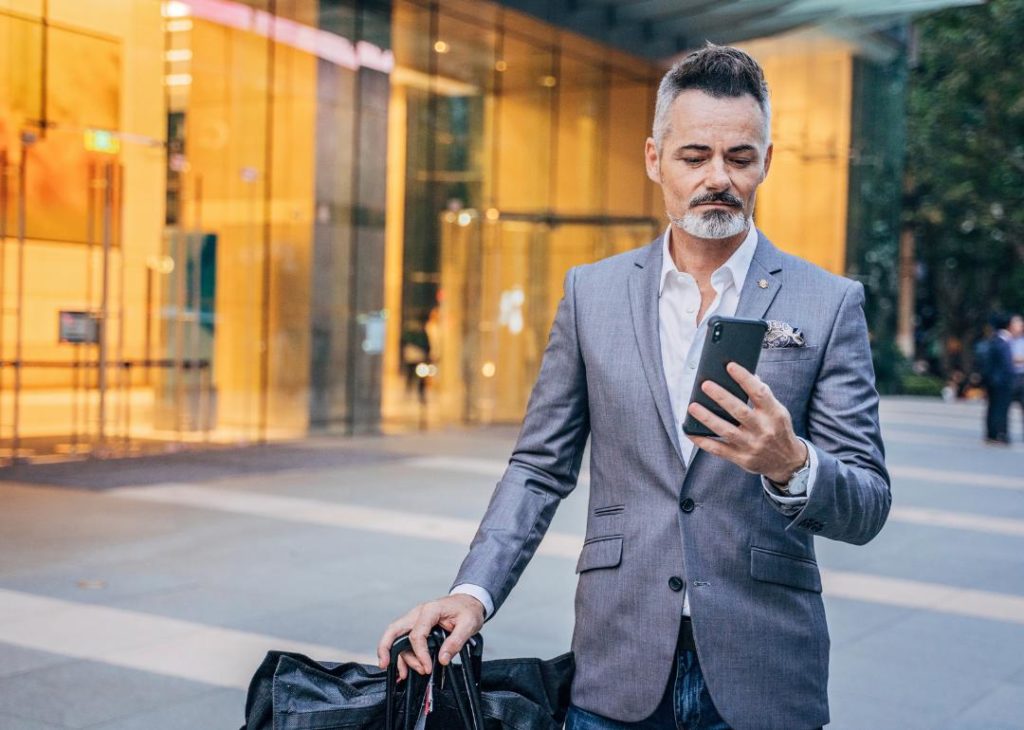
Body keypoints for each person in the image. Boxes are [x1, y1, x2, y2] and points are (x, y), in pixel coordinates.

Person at [377, 44, 890, 730]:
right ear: (655, 159)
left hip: (764, 673)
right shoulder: (593, 293)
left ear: (766, 160)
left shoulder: (828, 303)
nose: (719, 178)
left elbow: (869, 501)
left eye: (740, 158)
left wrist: (792, 466)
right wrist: (473, 593)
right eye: (695, 156)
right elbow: (538, 466)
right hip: (617, 663)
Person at [1010, 314, 1024, 439]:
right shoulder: (1007, 340)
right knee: (1004, 405)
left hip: (1022, 376)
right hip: (1010, 377)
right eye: (1015, 325)